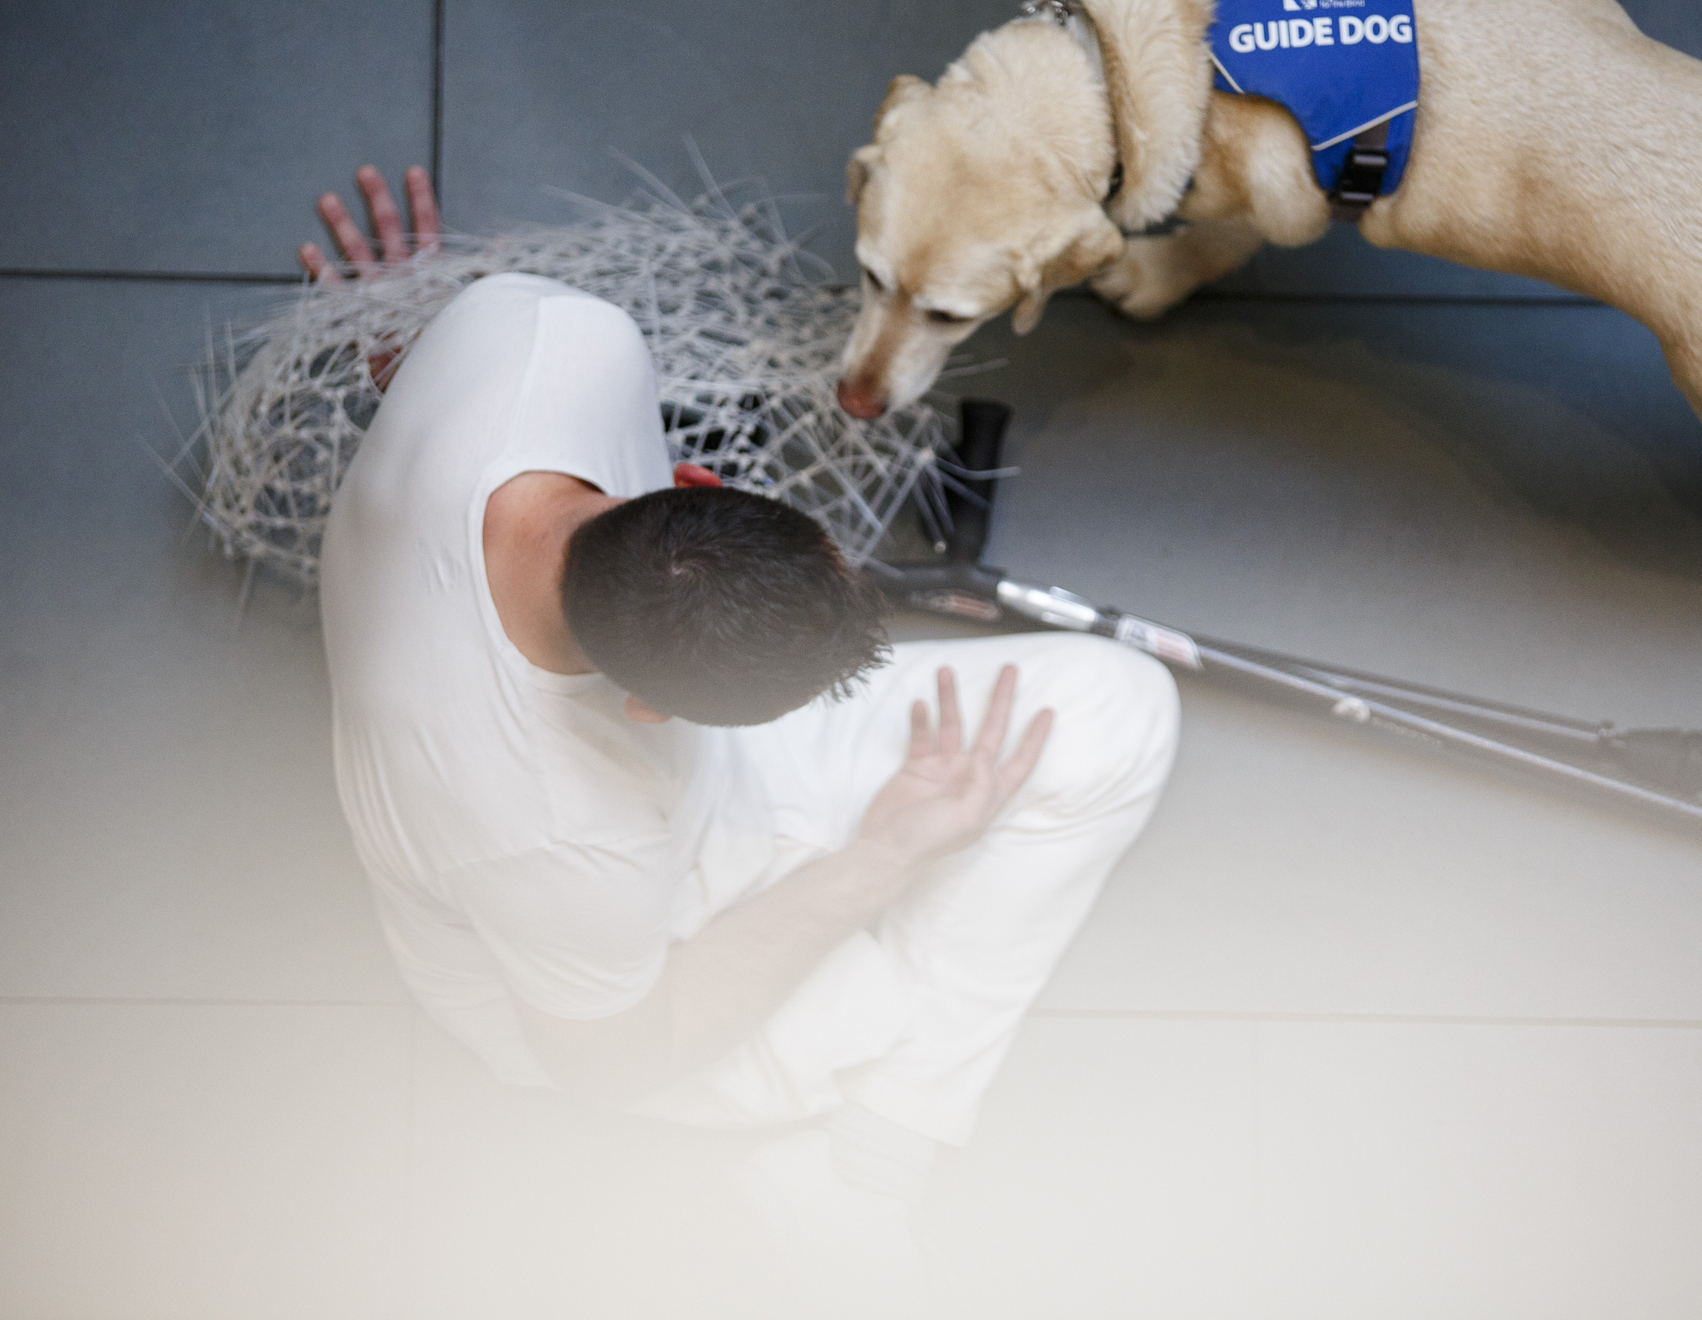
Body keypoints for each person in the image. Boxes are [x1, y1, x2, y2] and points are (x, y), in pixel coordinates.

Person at [309, 166, 1180, 1310]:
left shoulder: (549, 338)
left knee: (1122, 709)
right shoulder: (546, 831)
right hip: (601, 972)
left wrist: (415, 345)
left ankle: (868, 1102)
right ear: (647, 709)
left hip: (653, 801)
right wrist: (880, 858)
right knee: (871, 1006)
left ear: (686, 483)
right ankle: (870, 1163)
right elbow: (611, 1054)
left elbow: (439, 366)